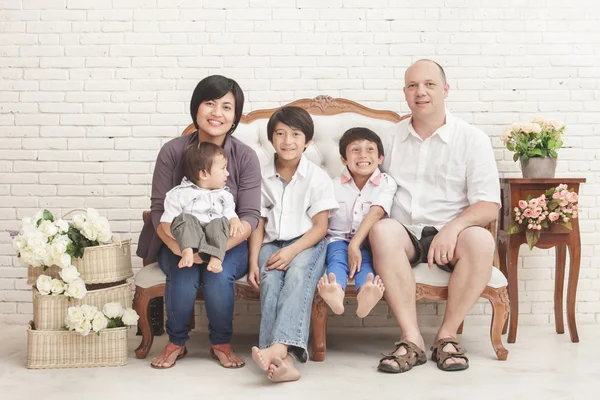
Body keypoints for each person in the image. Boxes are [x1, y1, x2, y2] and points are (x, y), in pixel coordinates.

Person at [371, 59, 501, 373]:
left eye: (429, 84)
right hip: (406, 234)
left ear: (445, 89)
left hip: (452, 236)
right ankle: (411, 339)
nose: (421, 92)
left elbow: (489, 205)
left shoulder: (472, 139)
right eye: (413, 85)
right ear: (405, 93)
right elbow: (370, 191)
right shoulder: (387, 139)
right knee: (382, 231)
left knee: (482, 241)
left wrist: (454, 227)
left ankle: (447, 337)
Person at [136, 75, 261, 370]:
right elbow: (158, 209)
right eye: (210, 103)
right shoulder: (173, 151)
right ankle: (176, 342)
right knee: (184, 274)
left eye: (227, 107)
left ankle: (221, 342)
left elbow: (250, 216)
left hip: (226, 241)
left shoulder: (244, 156)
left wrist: (217, 247)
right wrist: (180, 248)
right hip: (179, 238)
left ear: (234, 117)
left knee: (218, 277)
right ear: (196, 108)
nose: (217, 113)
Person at [247, 106, 338, 383]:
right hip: (271, 243)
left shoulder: (317, 177)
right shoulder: (260, 177)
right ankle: (284, 361)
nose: (288, 141)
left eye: (296, 134)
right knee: (271, 279)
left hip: (307, 243)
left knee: (297, 274)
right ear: (272, 139)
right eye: (280, 134)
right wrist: (254, 262)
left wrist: (292, 250)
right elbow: (258, 223)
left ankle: (276, 349)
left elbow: (321, 228)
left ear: (307, 140)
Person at [317, 127, 395, 318]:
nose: (363, 155)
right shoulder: (332, 186)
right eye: (355, 150)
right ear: (343, 159)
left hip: (369, 241)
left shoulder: (386, 183)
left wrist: (356, 243)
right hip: (337, 239)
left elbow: (377, 212)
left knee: (365, 261)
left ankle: (367, 290)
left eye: (370, 150)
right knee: (337, 258)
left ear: (380, 158)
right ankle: (335, 289)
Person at [159, 142, 245, 273]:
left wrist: (234, 221)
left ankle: (216, 256)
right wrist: (178, 238)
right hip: (190, 236)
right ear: (204, 174)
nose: (227, 173)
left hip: (213, 236)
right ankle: (187, 250)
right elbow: (167, 221)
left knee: (220, 222)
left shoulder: (224, 195)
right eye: (223, 168)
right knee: (184, 219)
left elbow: (229, 212)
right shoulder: (179, 194)